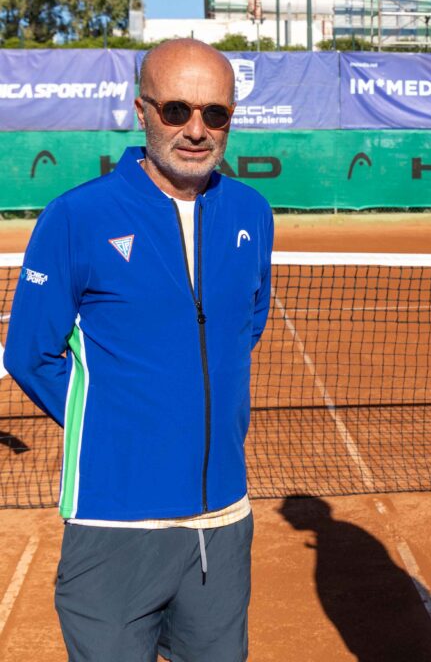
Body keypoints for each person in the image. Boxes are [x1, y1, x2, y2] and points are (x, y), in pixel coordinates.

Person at [5, 38, 273, 661]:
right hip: (113, 522)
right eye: (176, 110)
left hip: (221, 522)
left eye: (215, 114)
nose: (196, 130)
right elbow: (30, 353)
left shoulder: (252, 212)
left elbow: (244, 327)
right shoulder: (77, 216)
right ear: (141, 110)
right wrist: (111, 424)